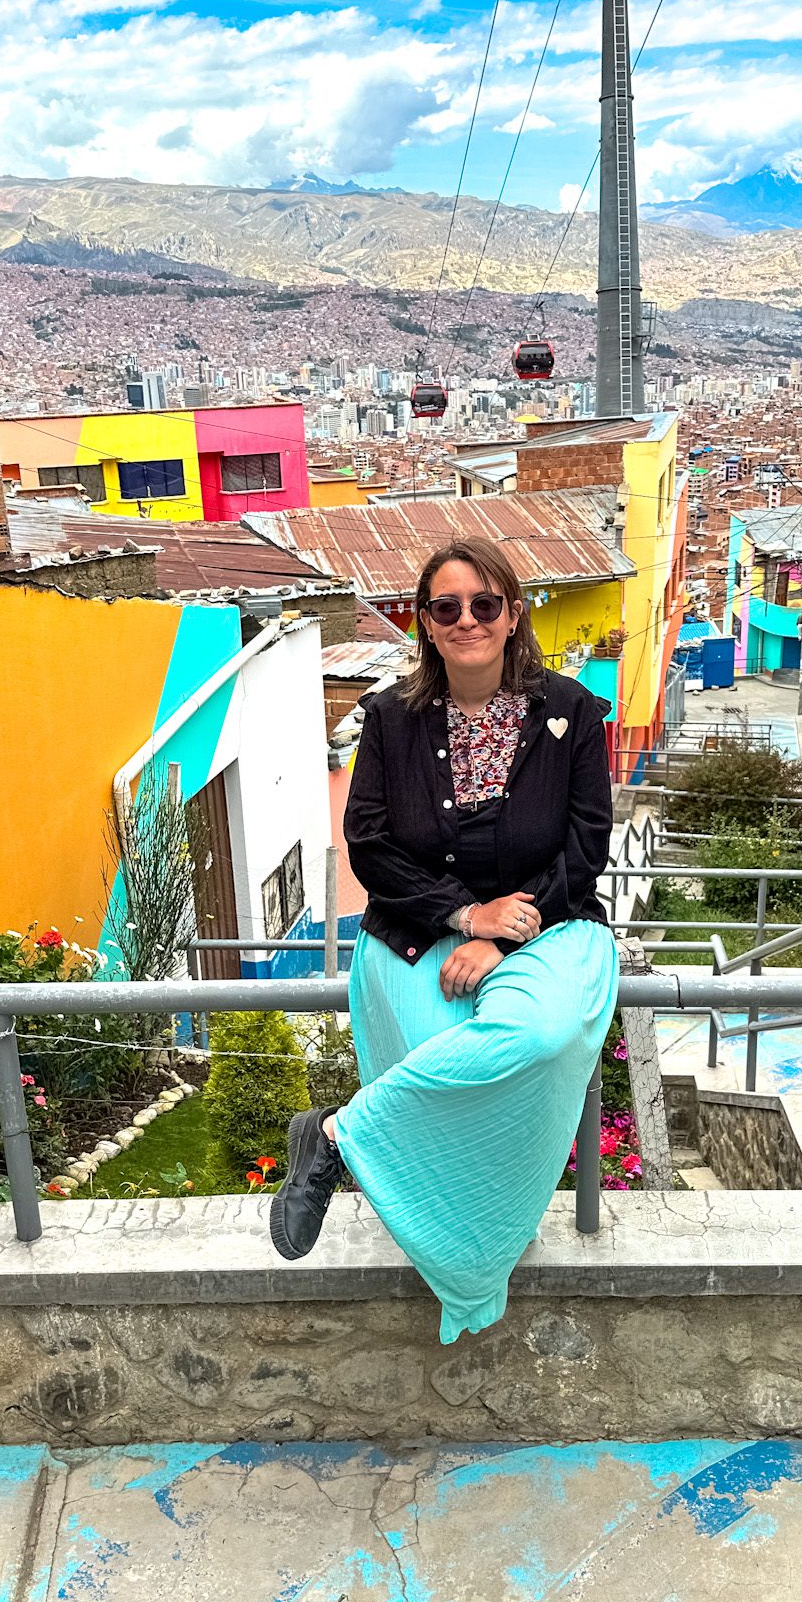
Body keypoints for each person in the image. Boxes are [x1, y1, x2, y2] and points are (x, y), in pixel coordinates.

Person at [268, 534, 619, 1343]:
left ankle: (335, 1135)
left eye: (485, 604)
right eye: (447, 606)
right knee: (444, 1067)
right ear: (425, 622)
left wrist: (504, 931)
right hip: (417, 933)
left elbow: (585, 845)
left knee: (534, 1038)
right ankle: (463, 1260)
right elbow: (370, 846)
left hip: (553, 924)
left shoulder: (571, 713)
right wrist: (465, 917)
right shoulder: (391, 719)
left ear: (514, 614)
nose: (468, 620)